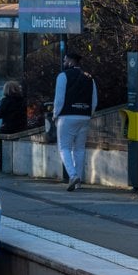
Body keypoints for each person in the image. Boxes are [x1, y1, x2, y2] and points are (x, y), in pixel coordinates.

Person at [52, 51, 98, 191]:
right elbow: (94, 100)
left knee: (64, 147)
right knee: (79, 149)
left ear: (71, 61)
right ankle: (78, 181)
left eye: (65, 60)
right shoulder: (89, 77)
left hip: (67, 116)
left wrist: (55, 114)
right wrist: (89, 113)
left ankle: (73, 176)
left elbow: (59, 99)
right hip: (84, 115)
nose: (64, 63)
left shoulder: (63, 76)